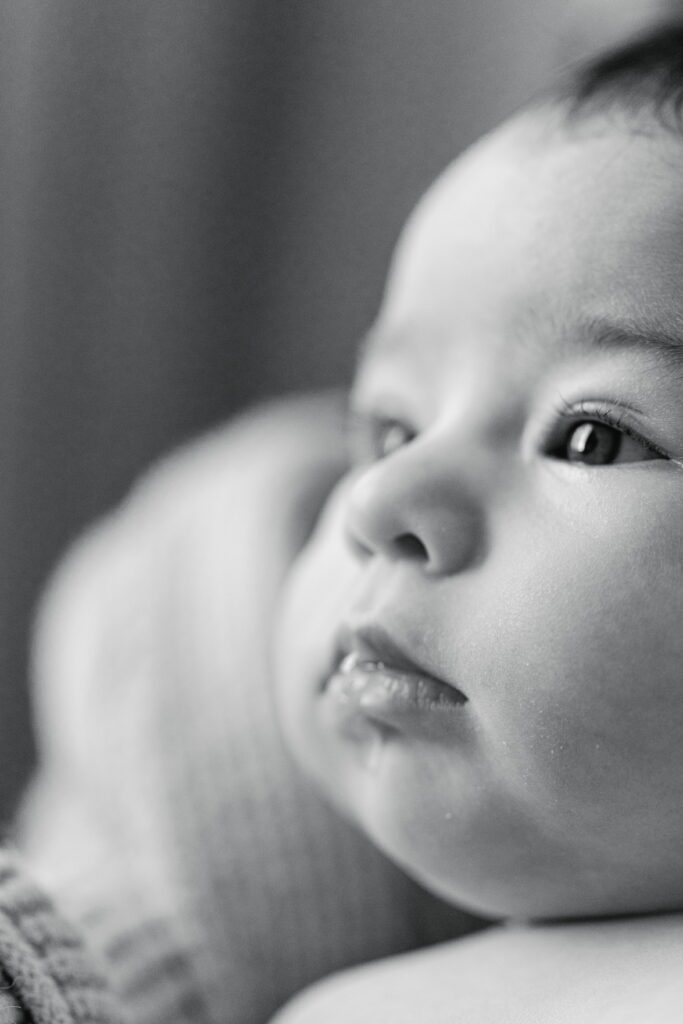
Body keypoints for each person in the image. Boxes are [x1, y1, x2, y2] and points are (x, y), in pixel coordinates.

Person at [3, 23, 683, 1024]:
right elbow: (110, 925)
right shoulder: (222, 736)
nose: (376, 501)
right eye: (389, 424)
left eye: (589, 439)